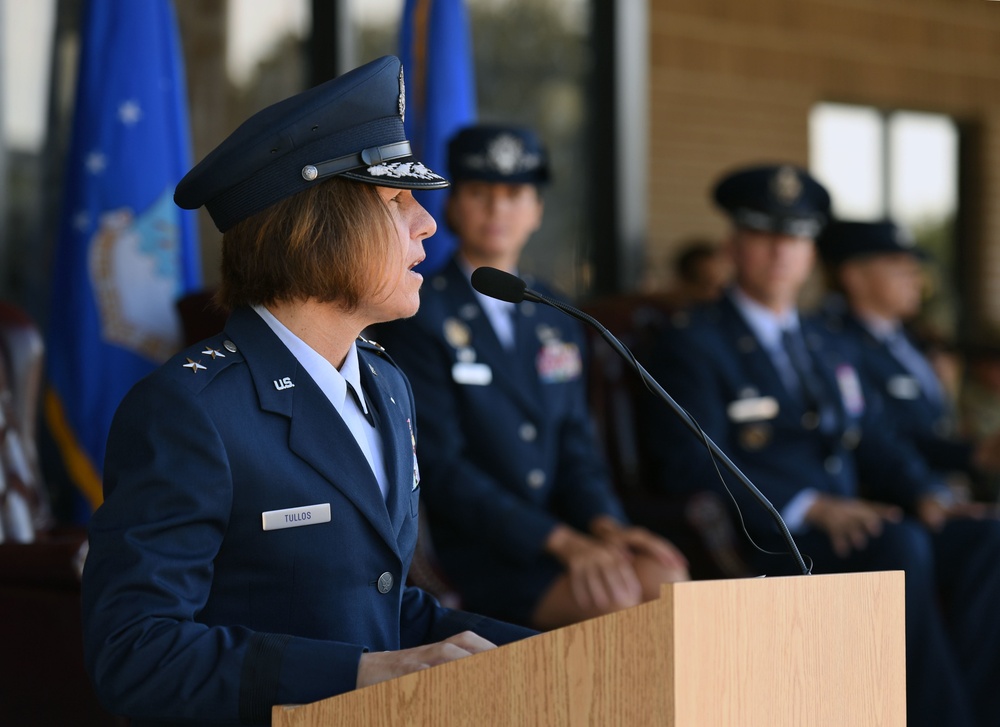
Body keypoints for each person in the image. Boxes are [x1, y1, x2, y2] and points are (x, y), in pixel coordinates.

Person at [80, 56, 535, 726]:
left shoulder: (386, 384)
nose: (427, 225)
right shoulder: (190, 410)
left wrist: (559, 650)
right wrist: (360, 673)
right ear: (317, 227)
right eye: (396, 202)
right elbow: (136, 654)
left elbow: (376, 606)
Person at [640, 163, 1000, 727]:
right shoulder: (694, 343)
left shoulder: (827, 341)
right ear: (734, 245)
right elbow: (690, 460)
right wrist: (812, 504)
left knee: (984, 537)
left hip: (857, 521)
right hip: (771, 535)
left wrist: (927, 492)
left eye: (798, 236)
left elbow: (870, 437)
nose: (783, 251)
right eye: (765, 234)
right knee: (897, 547)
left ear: (811, 253)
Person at [371, 123, 689, 631]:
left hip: (563, 533)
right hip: (480, 546)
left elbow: (576, 445)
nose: (498, 210)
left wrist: (606, 527)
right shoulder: (420, 311)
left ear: (537, 209)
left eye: (515, 193)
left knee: (668, 583)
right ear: (452, 204)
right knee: (626, 612)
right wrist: (560, 541)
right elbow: (439, 466)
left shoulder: (552, 313)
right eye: (479, 192)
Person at [817, 219, 1000, 511]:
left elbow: (933, 425)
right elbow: (878, 436)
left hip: (941, 490)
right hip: (893, 504)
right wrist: (969, 455)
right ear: (855, 276)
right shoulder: (835, 344)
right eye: (899, 268)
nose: (916, 279)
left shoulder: (912, 339)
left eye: (914, 269)